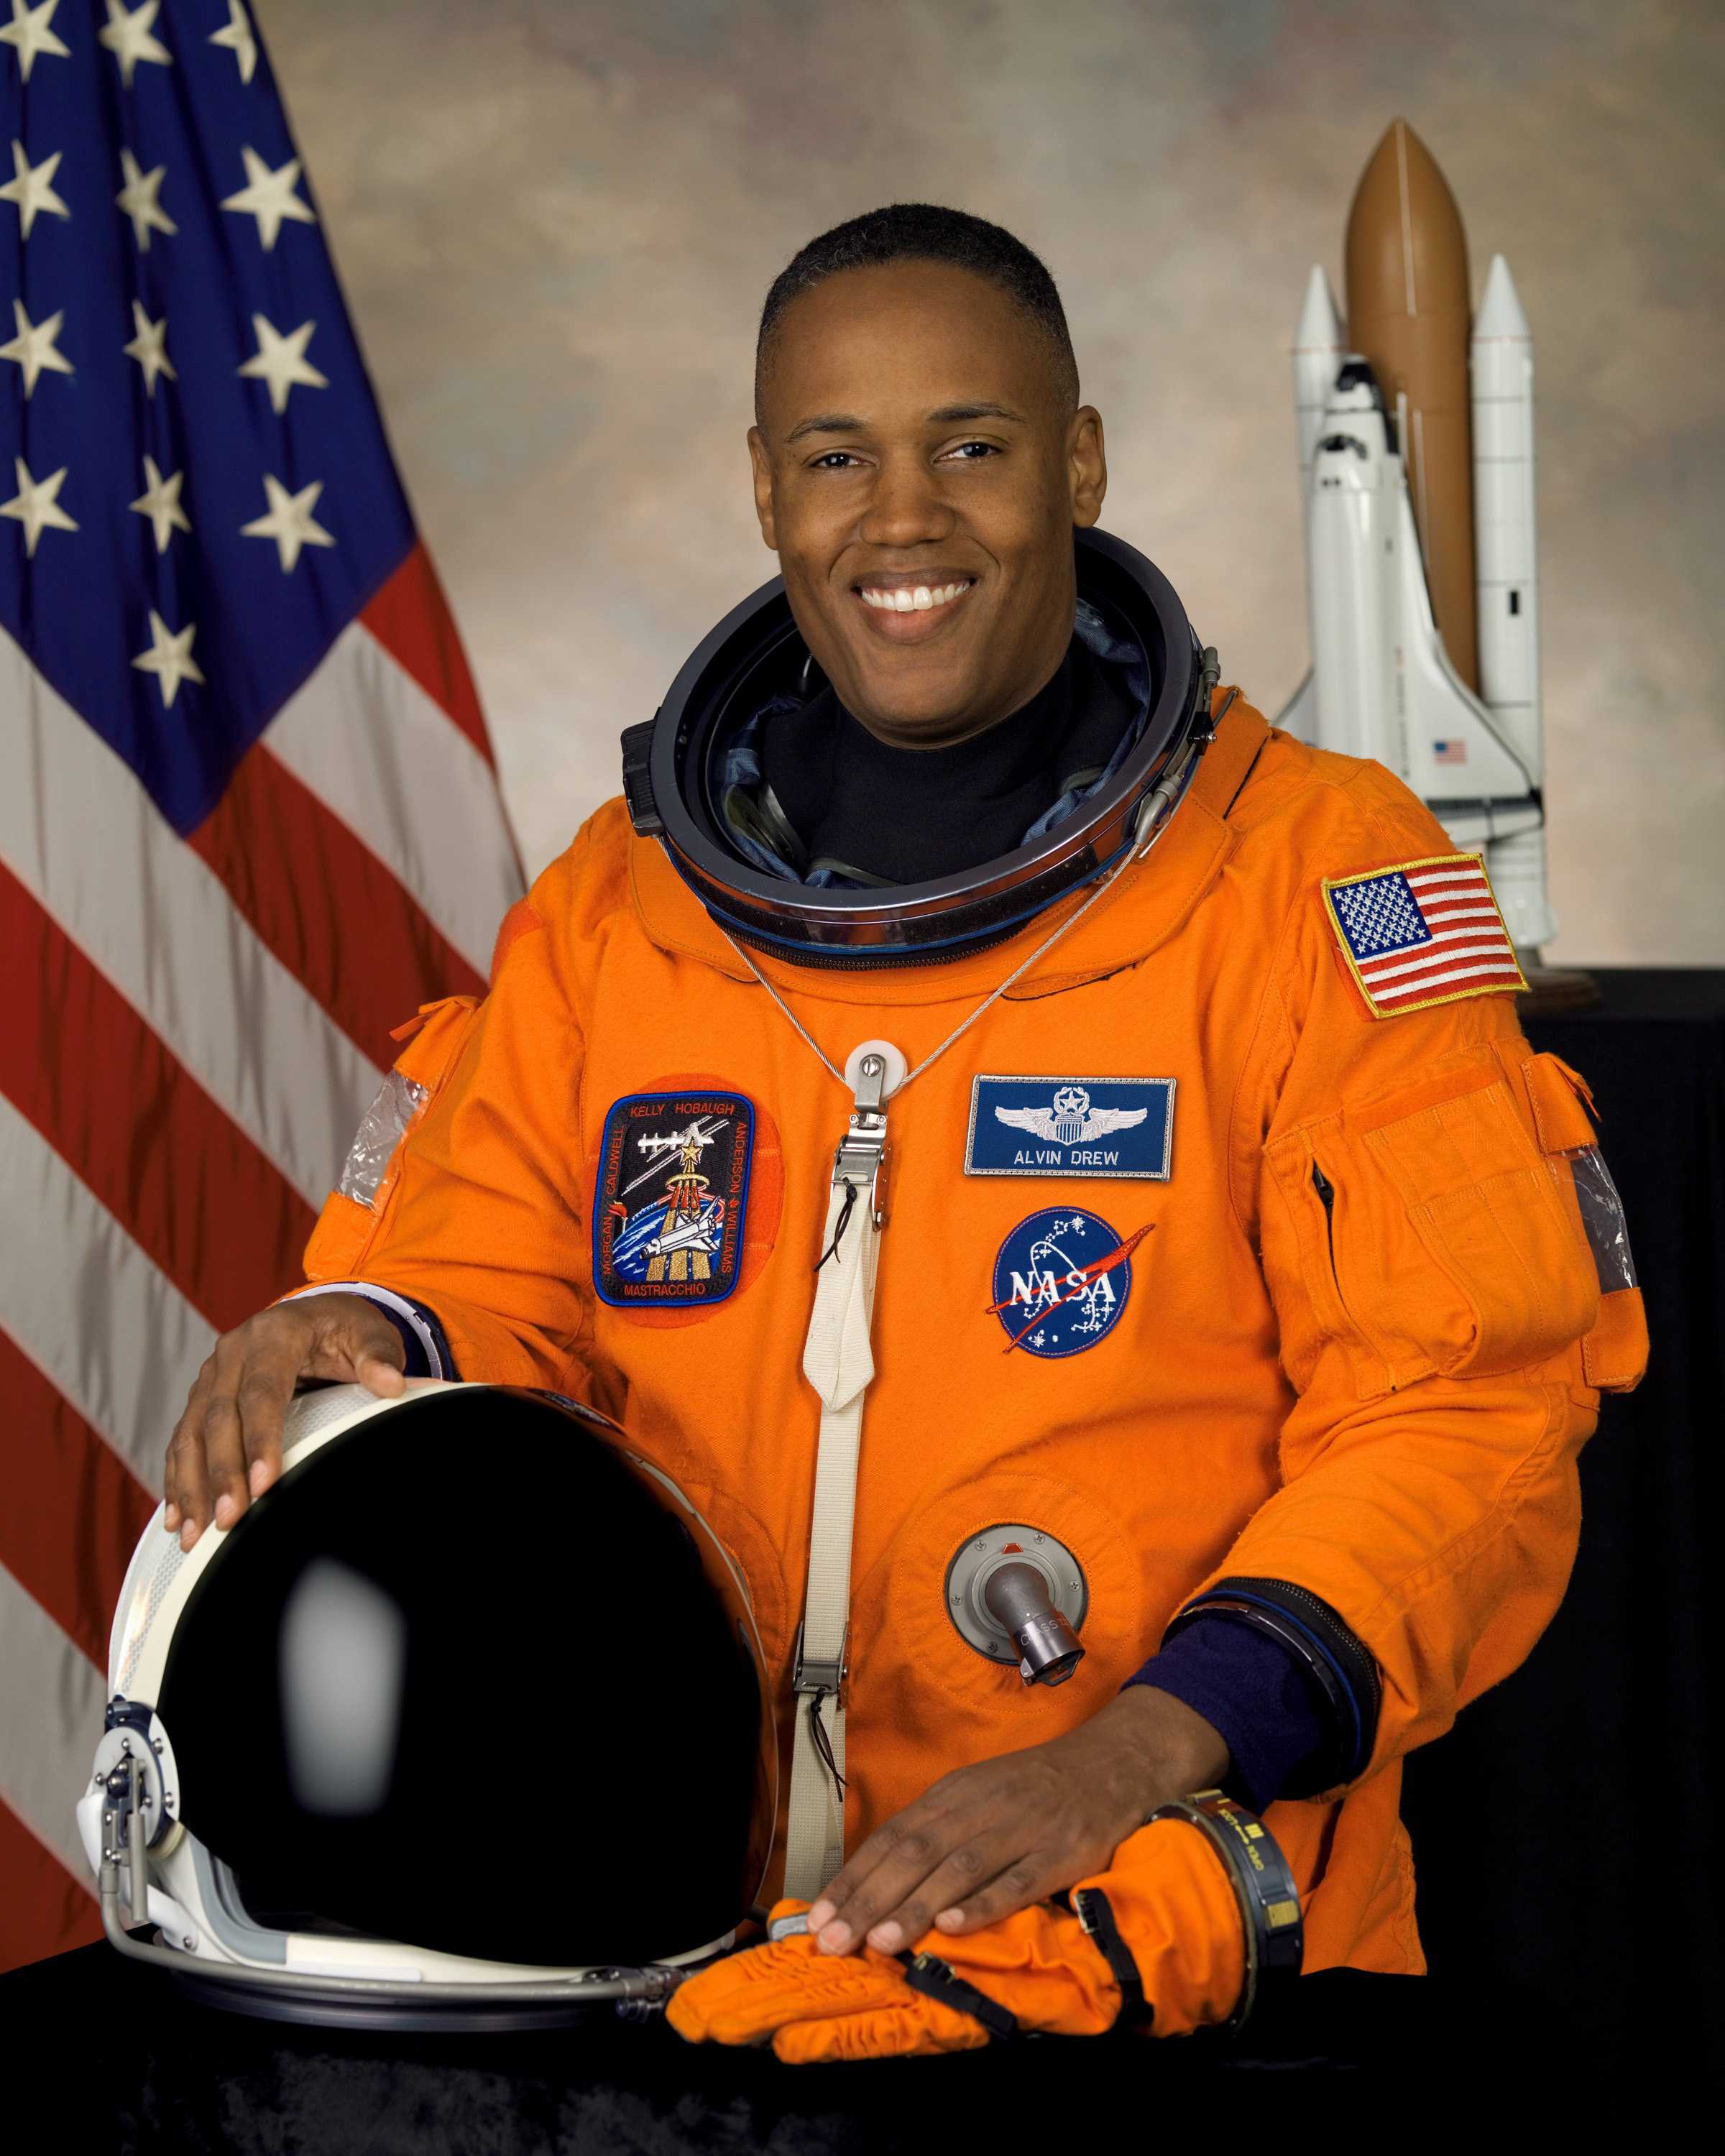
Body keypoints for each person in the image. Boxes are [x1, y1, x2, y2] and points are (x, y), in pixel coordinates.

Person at [160, 204, 1644, 1994]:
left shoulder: (1310, 881)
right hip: (666, 1951)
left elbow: (1463, 1408)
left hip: (1164, 1962)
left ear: (1079, 465)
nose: (904, 518)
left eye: (974, 447)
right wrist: (366, 1327)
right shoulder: (622, 913)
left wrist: (1138, 1747)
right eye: (837, 458)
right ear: (766, 494)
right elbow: (499, 1292)